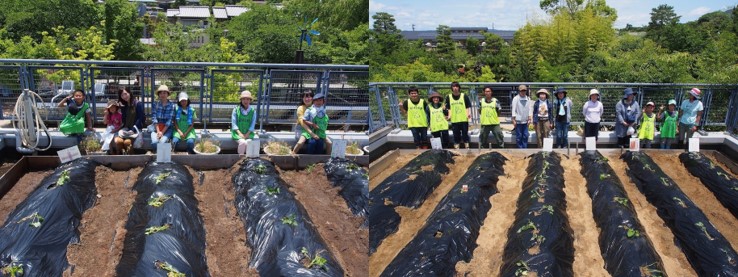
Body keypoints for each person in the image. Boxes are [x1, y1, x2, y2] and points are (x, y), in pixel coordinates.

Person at [113, 87, 145, 155]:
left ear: (129, 93)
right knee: (118, 142)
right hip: (126, 129)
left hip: (135, 129)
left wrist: (133, 129)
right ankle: (121, 159)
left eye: (125, 94)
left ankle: (131, 156)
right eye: (122, 95)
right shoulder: (124, 105)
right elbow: (123, 120)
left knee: (127, 142)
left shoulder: (137, 104)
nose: (124, 96)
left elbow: (141, 118)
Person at [445, 82, 471, 149]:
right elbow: (449, 108)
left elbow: (467, 106)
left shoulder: (464, 95)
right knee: (456, 134)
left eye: (456, 86)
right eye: (454, 86)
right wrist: (449, 115)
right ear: (452, 88)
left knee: (465, 134)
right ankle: (457, 147)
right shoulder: (449, 97)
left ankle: (467, 146)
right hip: (455, 119)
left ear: (459, 87)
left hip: (463, 119)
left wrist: (468, 114)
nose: (455, 88)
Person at [149, 85, 175, 153]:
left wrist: (162, 132)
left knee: (162, 142)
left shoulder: (172, 105)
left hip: (167, 128)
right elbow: (154, 118)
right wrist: (158, 132)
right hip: (156, 128)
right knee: (155, 143)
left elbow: (169, 120)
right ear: (158, 94)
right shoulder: (155, 104)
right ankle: (159, 157)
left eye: (164, 93)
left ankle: (163, 158)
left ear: (167, 94)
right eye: (160, 93)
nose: (162, 95)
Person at [231, 90, 257, 155]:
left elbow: (252, 124)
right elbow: (234, 123)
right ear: (241, 100)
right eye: (244, 99)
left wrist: (247, 134)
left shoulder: (253, 111)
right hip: (238, 133)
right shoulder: (236, 110)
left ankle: (249, 160)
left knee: (249, 143)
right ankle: (241, 159)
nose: (245, 101)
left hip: (249, 133)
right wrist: (240, 134)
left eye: (247, 99)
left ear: (250, 100)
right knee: (242, 142)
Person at [292, 90, 314, 154]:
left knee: (315, 142)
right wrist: (311, 133)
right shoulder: (300, 108)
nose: (307, 99)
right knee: (302, 141)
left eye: (309, 97)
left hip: (312, 128)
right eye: (305, 97)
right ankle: (292, 154)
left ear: (312, 98)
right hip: (301, 129)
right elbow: (302, 123)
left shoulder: (315, 107)